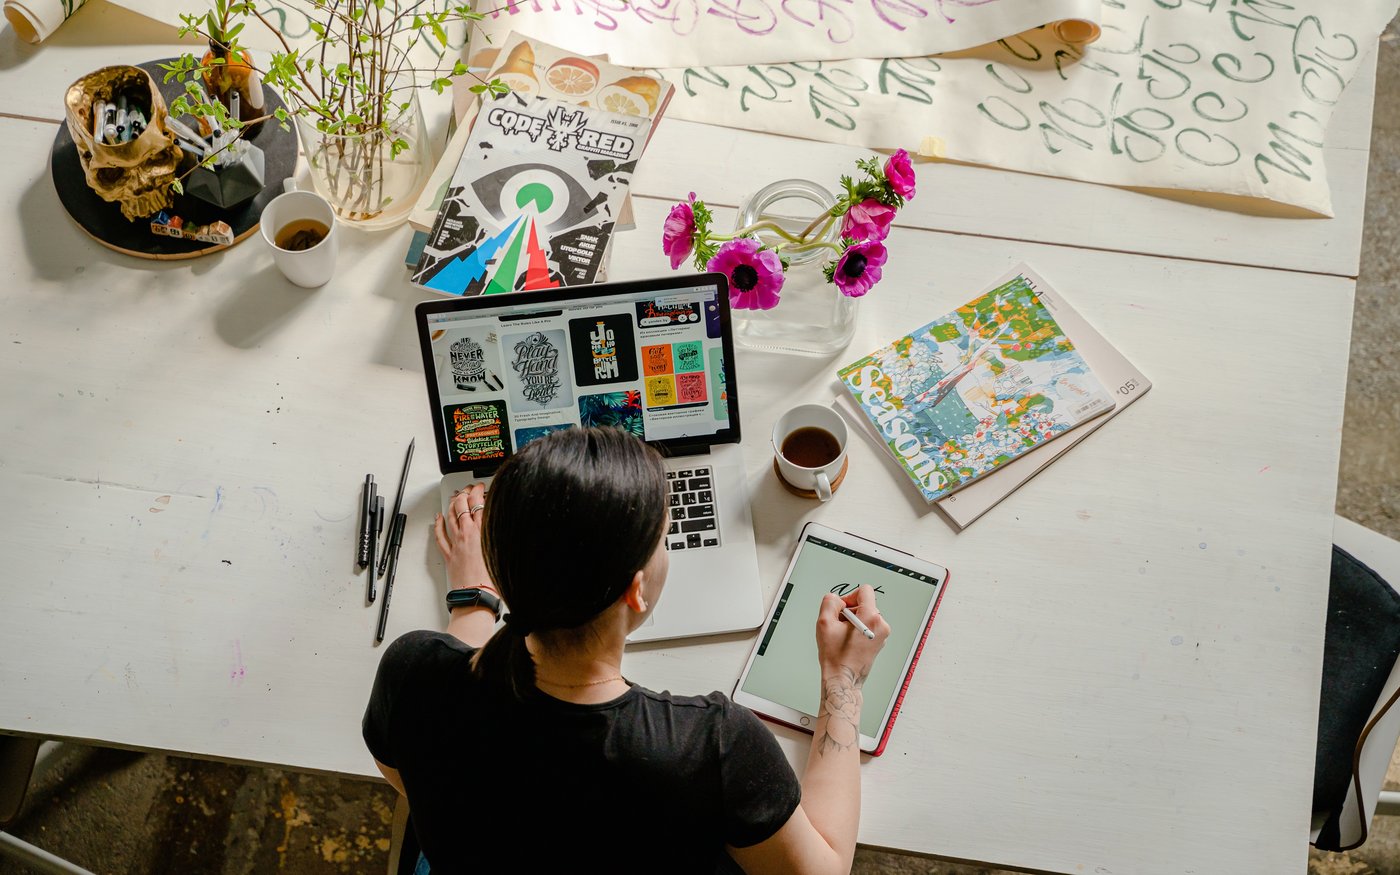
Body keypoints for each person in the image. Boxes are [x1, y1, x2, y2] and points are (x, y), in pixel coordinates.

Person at [363, 426, 889, 874]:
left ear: (504, 568)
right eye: (663, 538)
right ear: (636, 591)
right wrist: (844, 680)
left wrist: (473, 600)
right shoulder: (712, 746)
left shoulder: (411, 672)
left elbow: (411, 779)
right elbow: (823, 870)